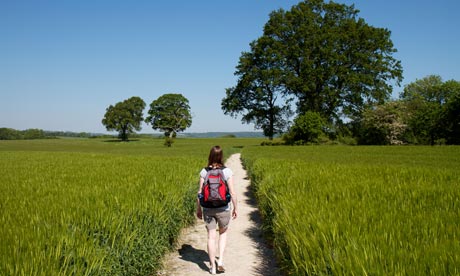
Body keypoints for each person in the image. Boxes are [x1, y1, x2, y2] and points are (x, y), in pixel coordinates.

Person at [196, 146, 238, 275]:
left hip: (208, 209)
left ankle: (212, 267)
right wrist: (235, 207)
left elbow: (200, 192)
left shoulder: (204, 171)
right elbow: (232, 192)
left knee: (211, 237)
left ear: (210, 156)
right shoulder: (227, 171)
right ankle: (220, 261)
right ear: (221, 156)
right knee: (223, 234)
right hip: (223, 208)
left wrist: (199, 209)